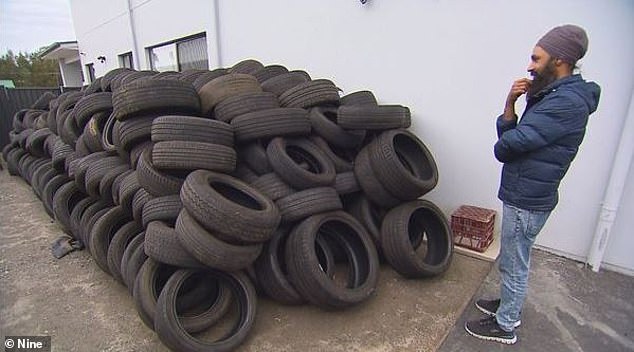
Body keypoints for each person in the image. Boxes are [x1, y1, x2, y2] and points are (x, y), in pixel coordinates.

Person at [464, 24, 601, 345]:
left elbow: (507, 146)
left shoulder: (565, 102)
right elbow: (514, 140)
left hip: (527, 197)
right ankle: (507, 306)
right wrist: (512, 103)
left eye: (536, 58)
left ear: (560, 60)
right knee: (514, 257)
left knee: (514, 263)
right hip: (525, 191)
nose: (529, 65)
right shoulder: (555, 94)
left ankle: (506, 324)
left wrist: (510, 116)